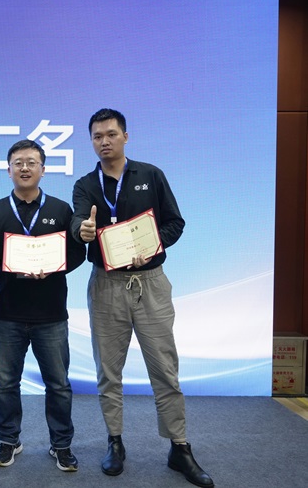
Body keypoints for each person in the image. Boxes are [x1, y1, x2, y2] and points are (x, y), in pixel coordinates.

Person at [70, 108, 213, 487]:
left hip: (150, 282)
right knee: (108, 371)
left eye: (111, 134)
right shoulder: (85, 184)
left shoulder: (151, 175)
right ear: (91, 141)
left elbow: (175, 222)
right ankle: (115, 442)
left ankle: (179, 446)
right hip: (106, 284)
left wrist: (151, 247)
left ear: (125, 136)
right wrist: (83, 230)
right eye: (97, 136)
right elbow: (78, 221)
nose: (104, 141)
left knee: (165, 368)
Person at [0, 139, 85, 472]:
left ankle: (61, 444)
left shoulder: (60, 210)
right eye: (18, 163)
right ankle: (9, 440)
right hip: (7, 313)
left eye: (31, 162)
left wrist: (55, 266)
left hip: (50, 314)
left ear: (43, 169)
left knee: (59, 385)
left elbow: (77, 253)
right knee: (6, 384)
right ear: (8, 170)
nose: (24, 168)